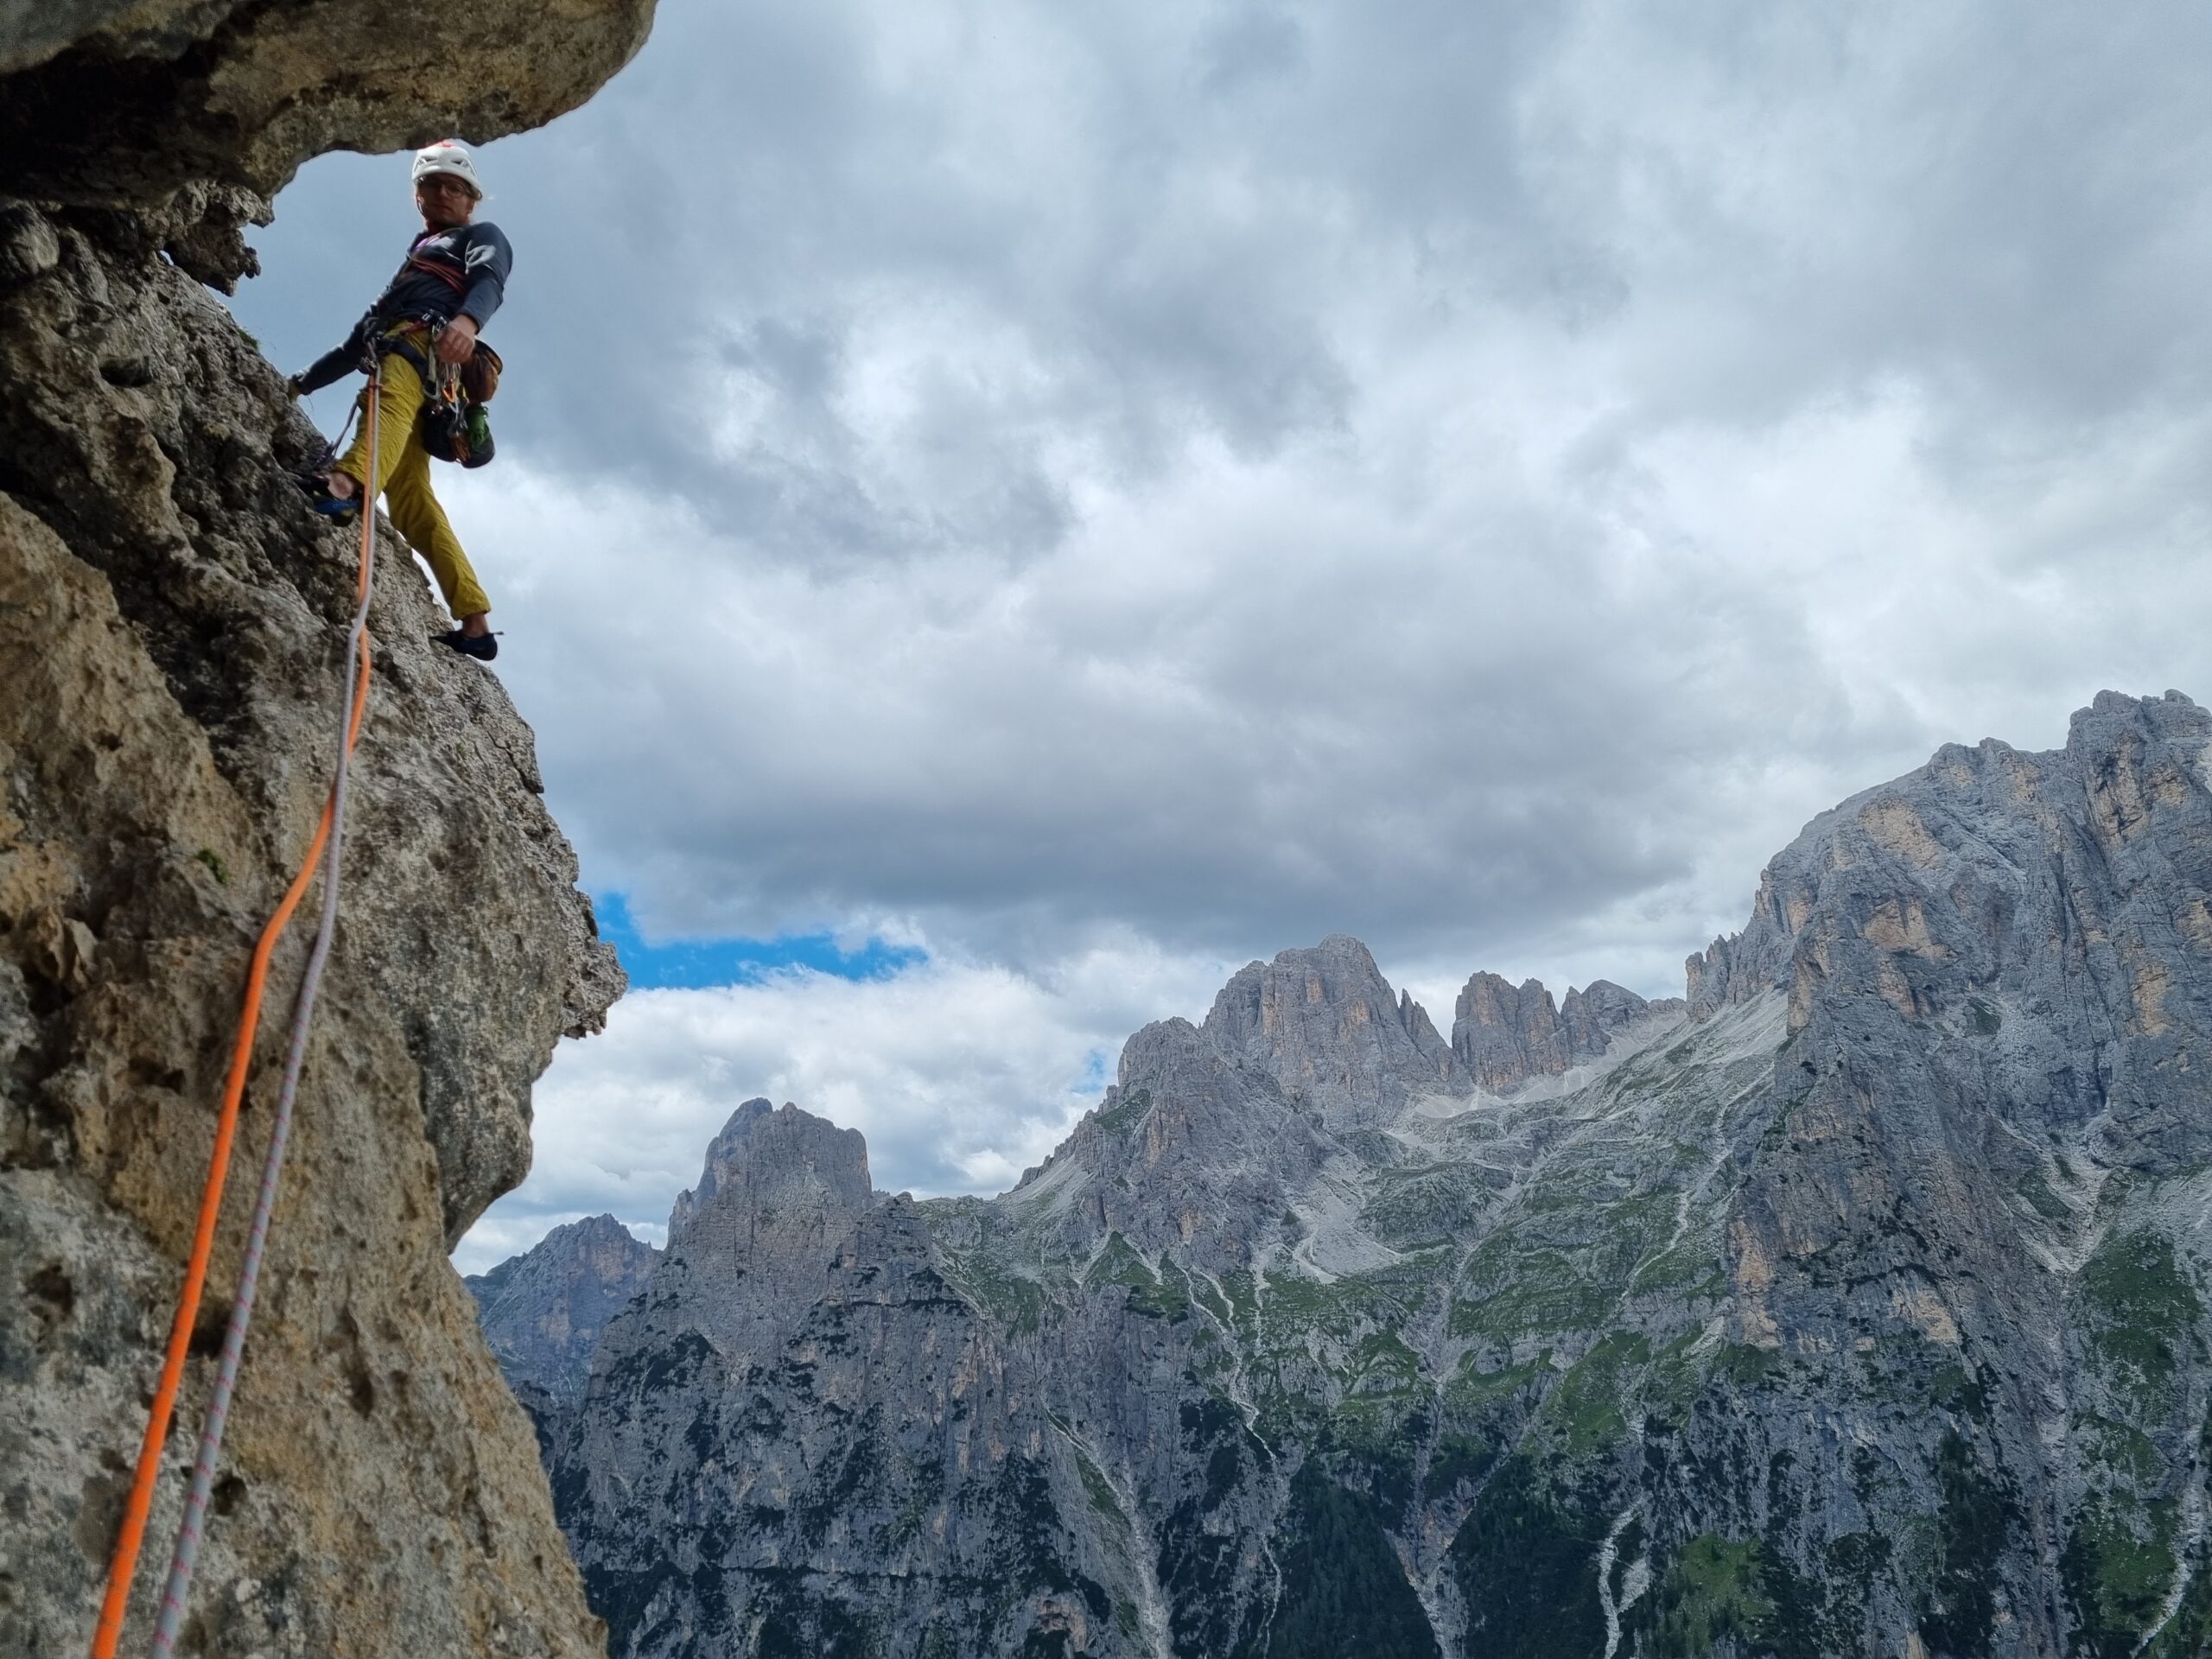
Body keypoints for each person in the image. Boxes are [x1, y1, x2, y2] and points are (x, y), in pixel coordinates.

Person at [290, 140, 511, 662]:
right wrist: (303, 381)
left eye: (452, 187)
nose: (440, 194)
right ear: (417, 197)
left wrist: (466, 321)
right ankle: (474, 620)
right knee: (412, 496)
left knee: (386, 404)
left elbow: (489, 280)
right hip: (408, 351)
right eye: (430, 185)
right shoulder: (411, 268)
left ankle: (344, 484)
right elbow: (354, 345)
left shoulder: (481, 237)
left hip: (421, 349)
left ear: (471, 199)